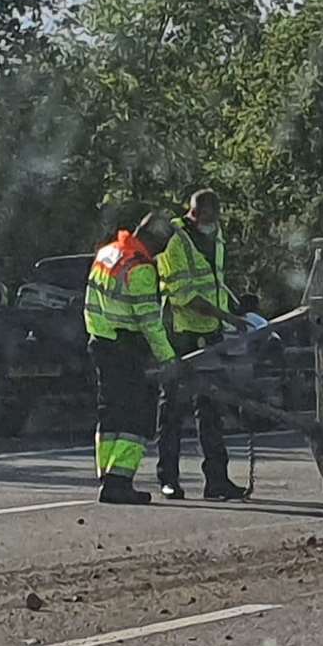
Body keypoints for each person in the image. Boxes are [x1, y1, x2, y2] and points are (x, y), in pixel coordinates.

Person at [155, 188, 250, 501]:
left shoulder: (216, 237)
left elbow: (214, 283)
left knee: (210, 407)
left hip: (211, 332)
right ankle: (168, 479)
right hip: (181, 333)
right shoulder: (175, 240)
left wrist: (230, 314)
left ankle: (217, 481)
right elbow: (184, 295)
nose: (206, 221)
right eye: (200, 215)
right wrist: (228, 317)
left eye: (211, 215)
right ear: (191, 213)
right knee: (173, 409)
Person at [84, 213, 178, 505]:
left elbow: (91, 302)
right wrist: (168, 359)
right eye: (163, 245)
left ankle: (107, 476)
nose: (162, 252)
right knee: (136, 416)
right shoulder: (140, 268)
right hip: (126, 346)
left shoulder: (109, 252)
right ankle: (120, 480)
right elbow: (150, 321)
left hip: (101, 341)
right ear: (155, 239)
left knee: (110, 412)